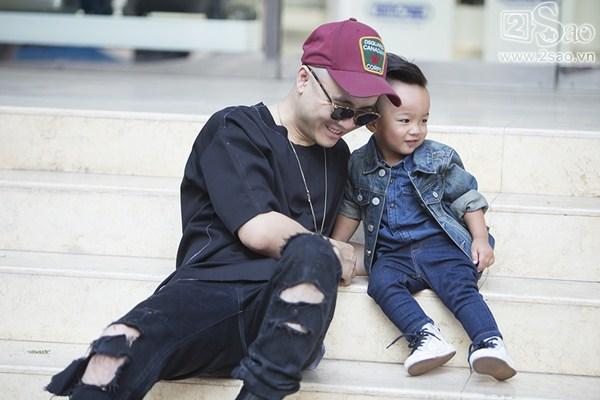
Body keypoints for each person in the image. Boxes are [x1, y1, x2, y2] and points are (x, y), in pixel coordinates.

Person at [45, 19, 401, 400]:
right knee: (114, 351)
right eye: (342, 108)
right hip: (211, 292)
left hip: (279, 307)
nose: (348, 124)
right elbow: (259, 229)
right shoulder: (236, 128)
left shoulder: (338, 157)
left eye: (364, 116)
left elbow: (338, 251)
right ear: (303, 79)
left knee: (314, 254)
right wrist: (330, 251)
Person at [332, 53, 517, 381]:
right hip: (395, 254)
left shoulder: (437, 158)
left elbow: (467, 199)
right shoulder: (360, 164)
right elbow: (351, 207)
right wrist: (333, 246)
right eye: (405, 121)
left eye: (424, 120)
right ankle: (425, 337)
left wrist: (479, 239)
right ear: (373, 122)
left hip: (441, 247)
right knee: (381, 282)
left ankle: (490, 342)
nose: (416, 130)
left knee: (460, 288)